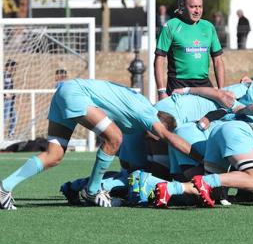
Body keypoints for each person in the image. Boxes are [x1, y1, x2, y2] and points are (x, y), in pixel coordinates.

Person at [0, 79, 197, 210]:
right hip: (76, 93)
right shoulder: (147, 114)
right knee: (115, 137)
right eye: (157, 135)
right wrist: (201, 159)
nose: (155, 139)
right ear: (158, 125)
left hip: (65, 91)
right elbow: (169, 137)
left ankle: (4, 188)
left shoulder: (139, 115)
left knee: (54, 156)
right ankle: (92, 191)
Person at [154, 0, 225, 101]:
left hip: (203, 84)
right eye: (193, 7)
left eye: (200, 6)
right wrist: (161, 91)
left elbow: (218, 61)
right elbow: (159, 60)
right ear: (182, 7)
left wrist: (221, 89)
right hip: (178, 85)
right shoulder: (170, 26)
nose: (197, 11)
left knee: (216, 115)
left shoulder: (208, 27)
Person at [4, 60, 17, 138]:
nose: (15, 68)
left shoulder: (9, 76)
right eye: (14, 66)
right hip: (5, 101)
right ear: (9, 66)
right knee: (4, 118)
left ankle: (10, 134)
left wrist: (13, 94)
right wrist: (5, 94)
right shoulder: (4, 75)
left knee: (14, 117)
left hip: (10, 101)